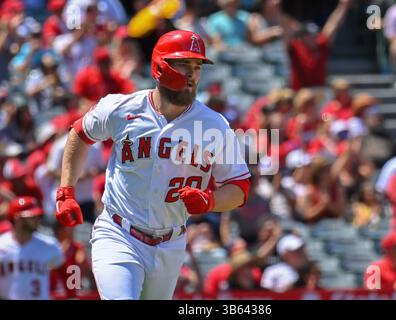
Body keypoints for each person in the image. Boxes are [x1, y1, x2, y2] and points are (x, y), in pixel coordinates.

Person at [55, 30, 251, 300]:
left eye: (197, 67)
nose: (192, 74)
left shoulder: (213, 125)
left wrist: (210, 201)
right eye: (184, 65)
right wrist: (66, 190)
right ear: (160, 67)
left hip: (171, 243)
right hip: (118, 233)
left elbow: (239, 188)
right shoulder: (121, 108)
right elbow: (80, 133)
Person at [0, 196, 64, 300]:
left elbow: (64, 274)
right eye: (32, 216)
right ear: (18, 219)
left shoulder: (50, 245)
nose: (37, 220)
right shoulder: (2, 244)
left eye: (37, 216)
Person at [287, 0, 352, 90]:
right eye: (309, 35)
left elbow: (333, 24)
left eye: (314, 34)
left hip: (319, 91)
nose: (313, 37)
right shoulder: (296, 47)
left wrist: (342, 7)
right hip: (301, 93)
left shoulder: (321, 44)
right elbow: (285, 25)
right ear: (303, 37)